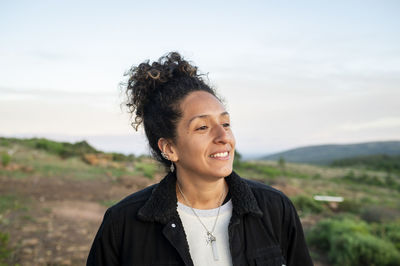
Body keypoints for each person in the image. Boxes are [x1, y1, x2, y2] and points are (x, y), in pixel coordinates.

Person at [87, 52, 313, 266]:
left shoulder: (275, 208)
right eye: (203, 127)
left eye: (225, 124)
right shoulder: (123, 224)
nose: (224, 137)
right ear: (169, 148)